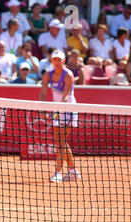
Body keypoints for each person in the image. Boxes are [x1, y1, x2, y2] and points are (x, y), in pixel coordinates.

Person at [39, 49, 80, 183]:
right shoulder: (47, 75)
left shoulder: (68, 75)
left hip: (68, 109)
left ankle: (58, 173)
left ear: (63, 61)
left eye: (59, 59)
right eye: (54, 59)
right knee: (59, 142)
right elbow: (43, 93)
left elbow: (66, 95)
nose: (56, 62)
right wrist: (42, 108)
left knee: (61, 141)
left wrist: (58, 111)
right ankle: (72, 171)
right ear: (51, 61)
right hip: (58, 110)